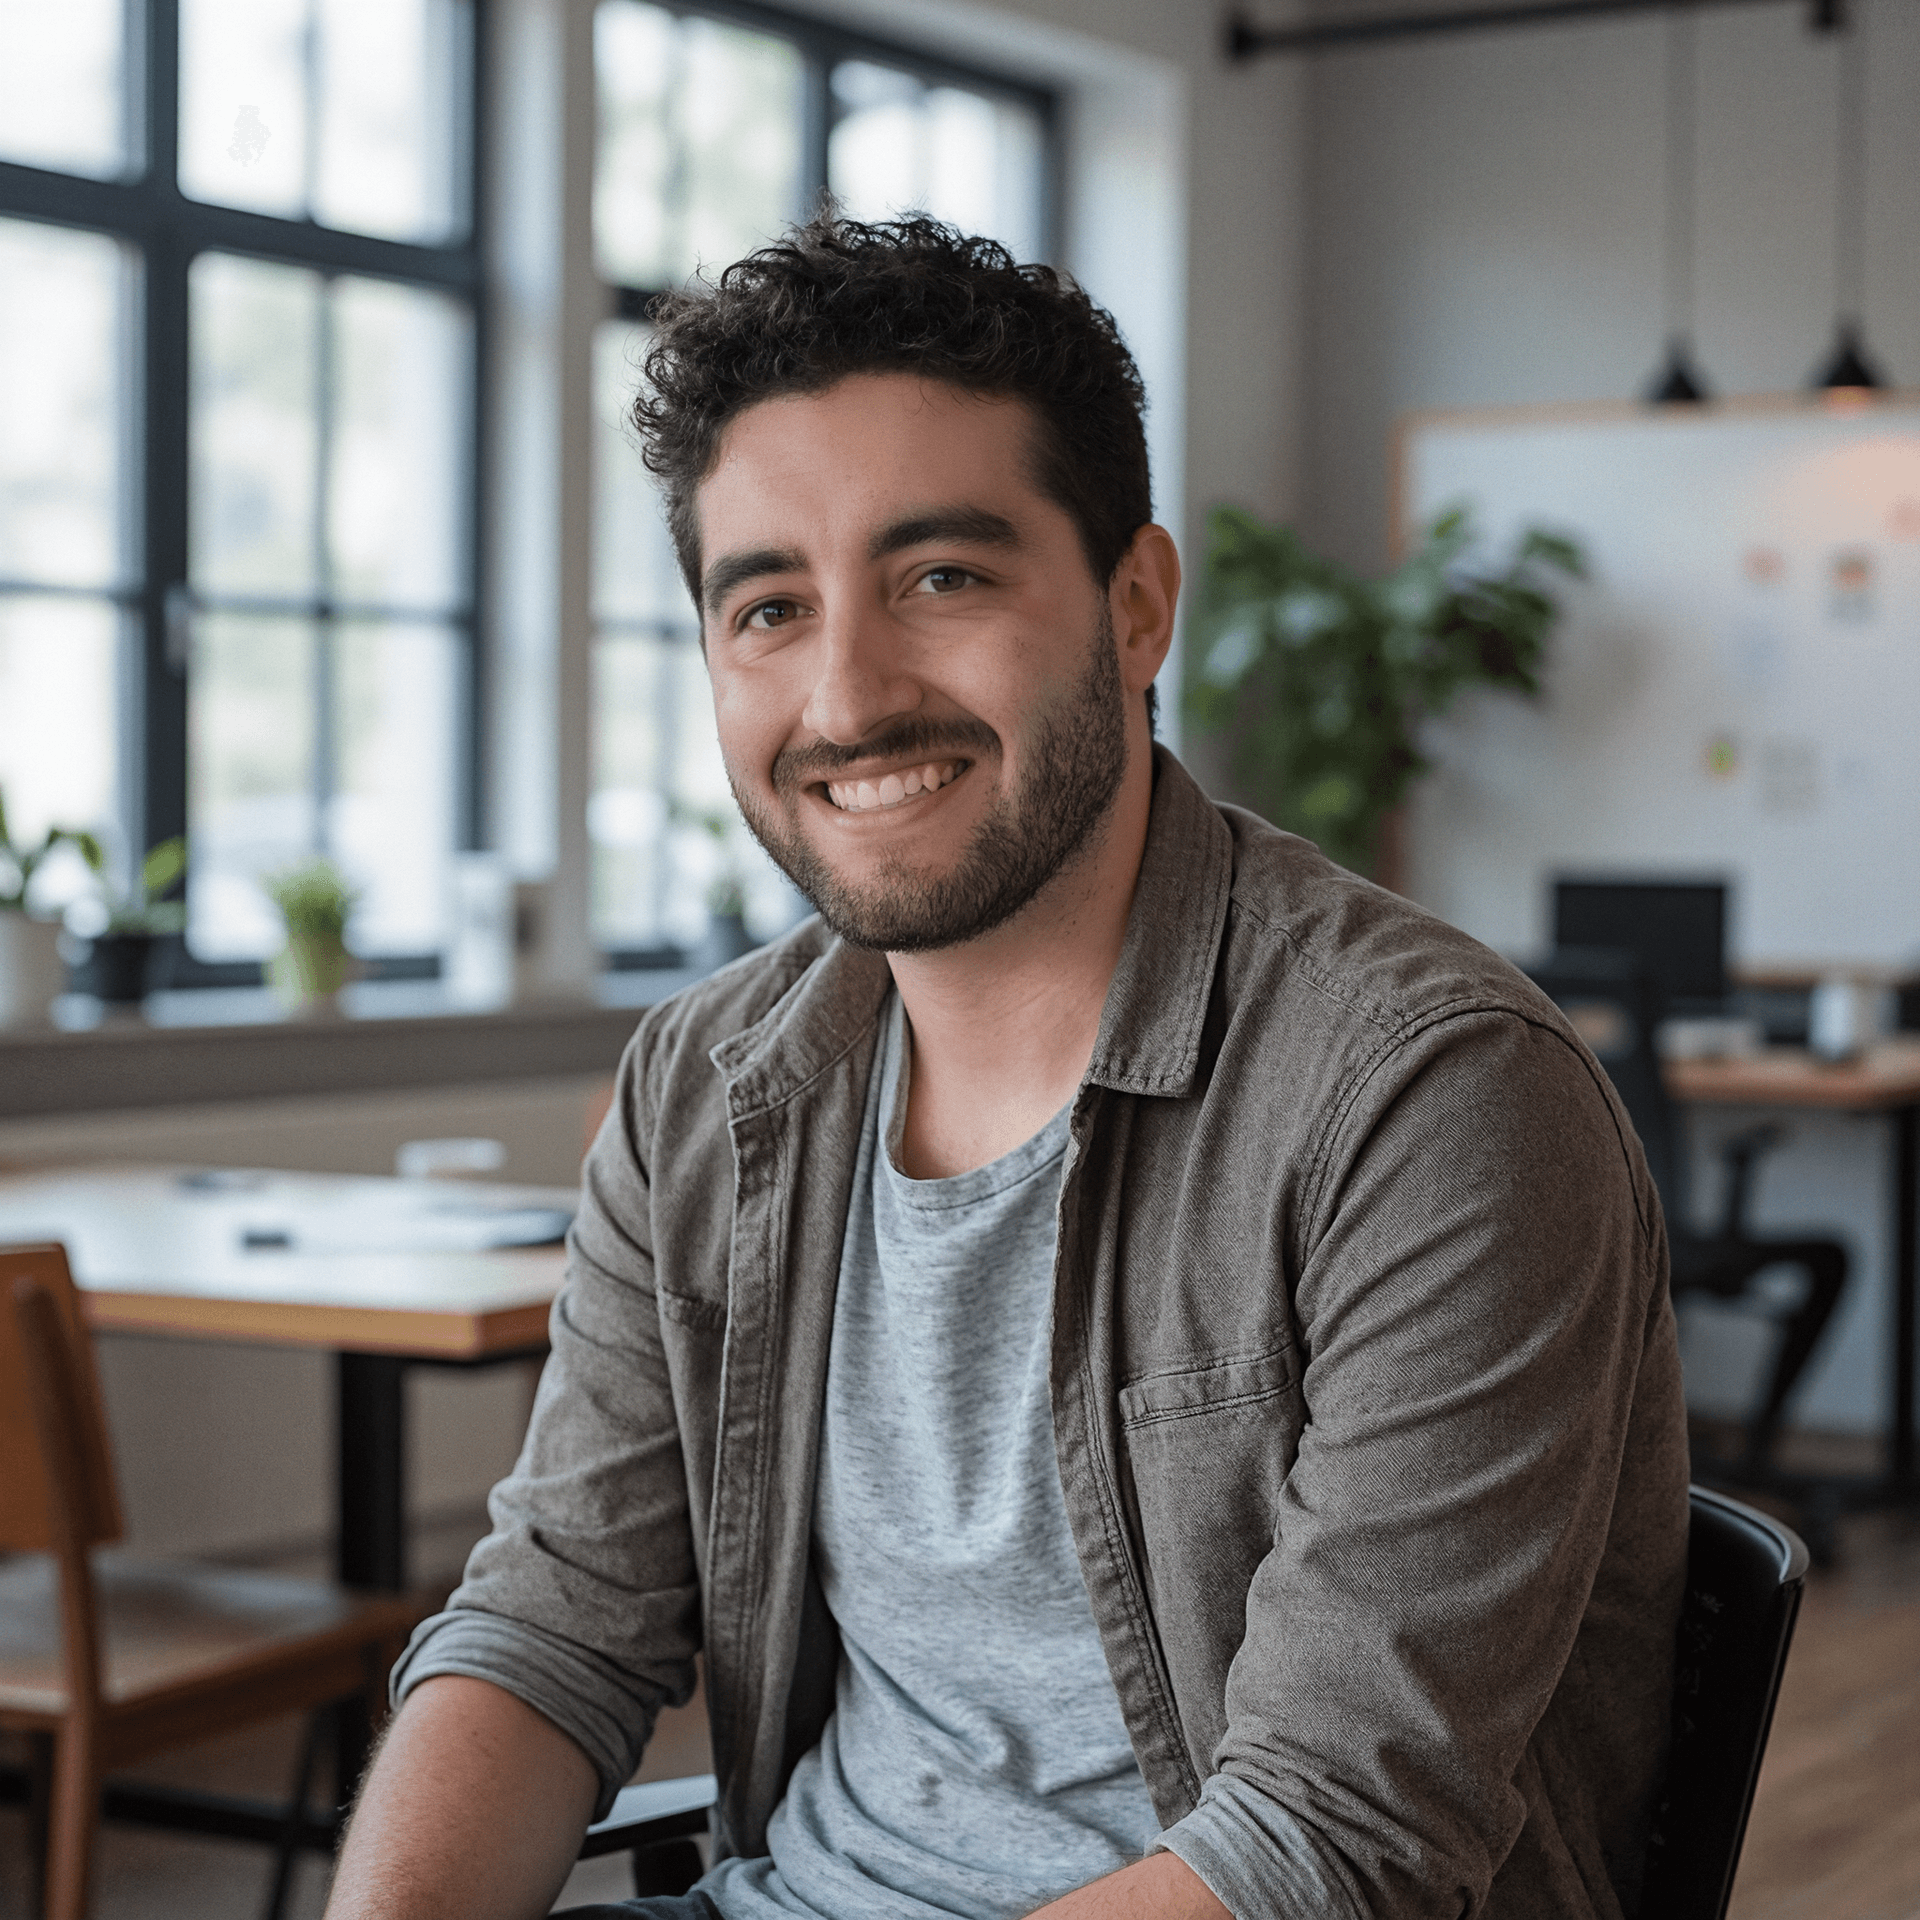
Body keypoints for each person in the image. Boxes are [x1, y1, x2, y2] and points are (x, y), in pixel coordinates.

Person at [325, 216, 1688, 1920]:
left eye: (942, 578)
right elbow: (553, 1622)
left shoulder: (1427, 1095)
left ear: (1136, 606)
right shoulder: (701, 1087)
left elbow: (1330, 1848)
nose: (848, 695)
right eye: (768, 607)